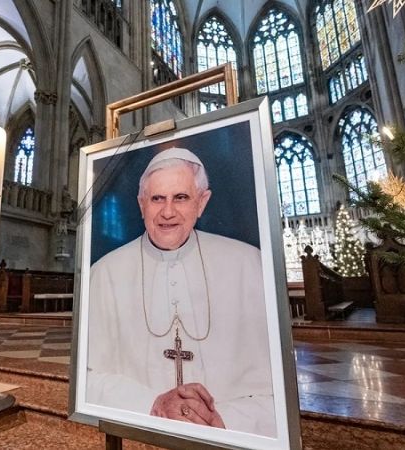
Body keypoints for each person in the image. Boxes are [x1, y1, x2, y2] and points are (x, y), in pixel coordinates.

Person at [86, 147, 276, 437]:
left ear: (202, 202)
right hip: (139, 434)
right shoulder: (104, 272)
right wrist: (151, 404)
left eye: (181, 198)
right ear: (141, 204)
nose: (168, 212)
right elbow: (85, 378)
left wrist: (221, 419)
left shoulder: (249, 264)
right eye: (157, 199)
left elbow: (277, 384)